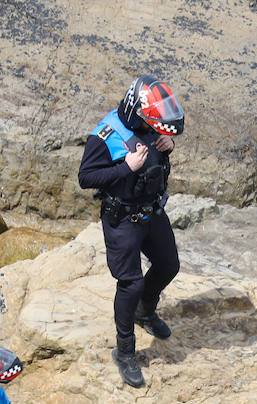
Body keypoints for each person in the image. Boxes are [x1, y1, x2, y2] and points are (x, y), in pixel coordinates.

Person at [78, 74, 185, 388]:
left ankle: (145, 311)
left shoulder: (150, 125)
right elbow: (86, 177)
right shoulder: (105, 135)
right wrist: (126, 167)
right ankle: (124, 351)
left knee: (169, 265)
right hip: (122, 218)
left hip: (151, 210)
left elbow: (154, 160)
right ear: (136, 111)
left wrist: (166, 147)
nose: (155, 130)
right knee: (130, 283)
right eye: (154, 126)